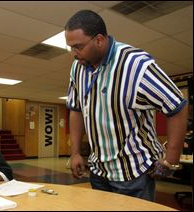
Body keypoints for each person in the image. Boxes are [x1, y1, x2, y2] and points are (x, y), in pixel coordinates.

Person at [65, 10, 188, 201]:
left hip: (133, 172)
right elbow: (76, 109)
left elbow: (177, 106)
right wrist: (74, 153)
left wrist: (171, 160)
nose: (73, 53)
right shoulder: (78, 67)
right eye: (70, 47)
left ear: (99, 40)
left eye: (78, 47)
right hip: (99, 171)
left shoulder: (136, 65)